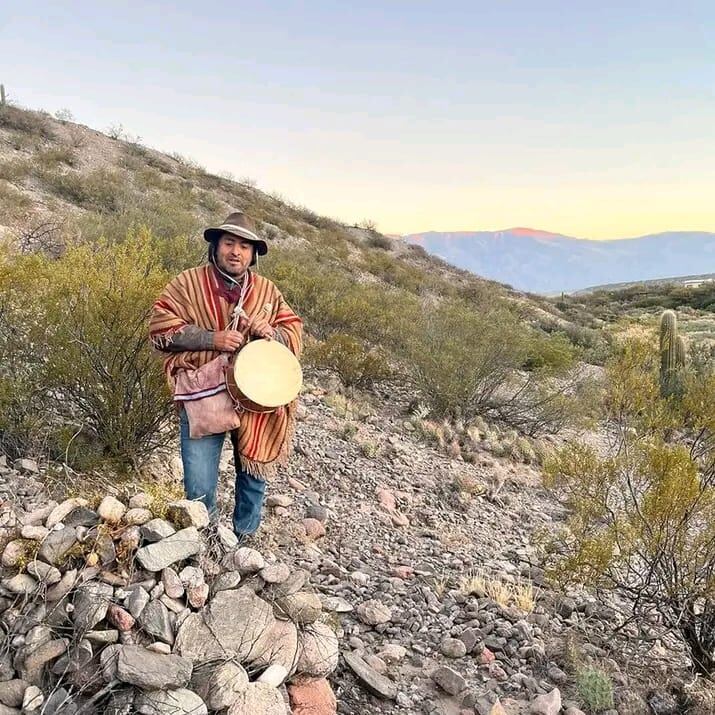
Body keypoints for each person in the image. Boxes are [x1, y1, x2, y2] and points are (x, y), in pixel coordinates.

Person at [149, 211, 303, 538]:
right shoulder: (187, 283)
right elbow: (160, 327)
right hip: (205, 394)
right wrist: (211, 338)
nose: (236, 251)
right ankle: (207, 542)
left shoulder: (266, 290)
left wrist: (270, 334)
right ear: (216, 246)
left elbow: (293, 330)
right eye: (229, 243)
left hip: (257, 395)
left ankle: (244, 538)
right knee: (200, 480)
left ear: (253, 254)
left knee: (253, 474)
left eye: (245, 247)